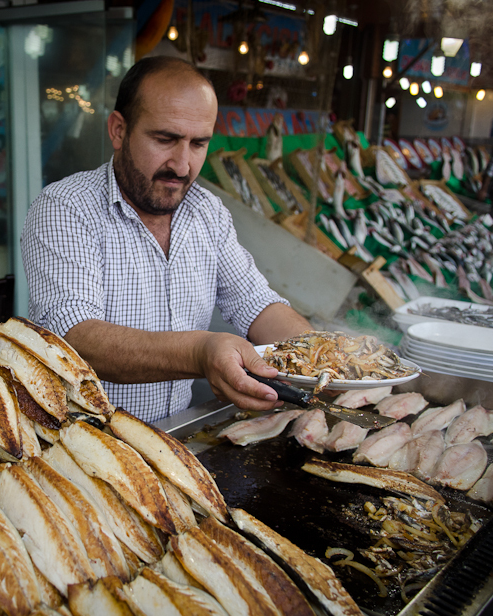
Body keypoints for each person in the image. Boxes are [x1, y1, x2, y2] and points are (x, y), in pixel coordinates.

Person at [21, 56, 312, 423]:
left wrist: (328, 358)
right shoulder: (66, 208)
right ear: (118, 130)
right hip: (80, 447)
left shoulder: (207, 212)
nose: (182, 165)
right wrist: (200, 352)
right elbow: (75, 338)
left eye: (198, 144)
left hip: (172, 439)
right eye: (165, 139)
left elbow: (256, 304)